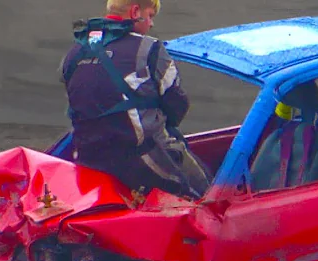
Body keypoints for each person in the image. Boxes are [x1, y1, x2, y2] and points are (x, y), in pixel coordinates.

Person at [58, 0, 210, 199]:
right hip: (139, 159)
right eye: (150, 16)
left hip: (87, 158)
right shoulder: (150, 49)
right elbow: (177, 104)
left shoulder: (74, 52)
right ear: (135, 11)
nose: (151, 24)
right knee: (207, 191)